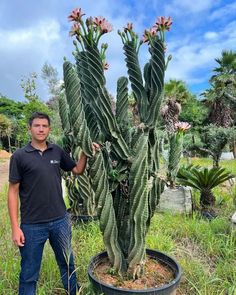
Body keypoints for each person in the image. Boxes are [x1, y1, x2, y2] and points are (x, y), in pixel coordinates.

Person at [7, 111, 99, 295]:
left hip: (60, 221)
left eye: (44, 126)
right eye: (37, 125)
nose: (41, 129)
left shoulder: (56, 150)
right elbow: (13, 191)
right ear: (30, 128)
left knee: (67, 264)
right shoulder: (19, 156)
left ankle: (73, 292)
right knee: (29, 272)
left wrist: (86, 153)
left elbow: (77, 170)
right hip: (32, 225)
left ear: (49, 129)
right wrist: (15, 227)